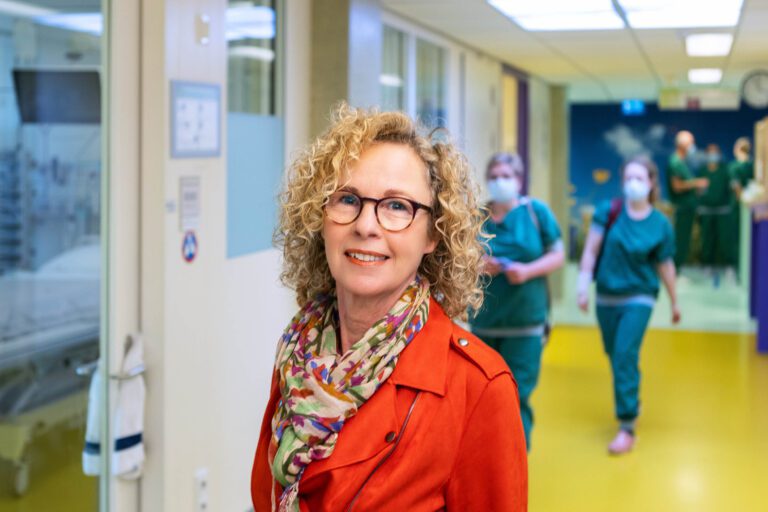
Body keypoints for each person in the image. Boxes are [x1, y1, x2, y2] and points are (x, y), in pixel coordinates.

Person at [251, 105, 527, 512]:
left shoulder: (479, 388)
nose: (366, 225)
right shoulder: (298, 356)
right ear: (319, 217)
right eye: (347, 199)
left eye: (397, 206)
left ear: (433, 233)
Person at [577, 156, 680, 455]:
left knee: (624, 353)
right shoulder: (608, 212)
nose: (633, 184)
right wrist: (582, 287)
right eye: (629, 178)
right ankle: (631, 398)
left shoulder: (660, 224)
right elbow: (591, 251)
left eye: (640, 178)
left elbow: (666, 264)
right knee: (615, 354)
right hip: (607, 296)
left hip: (640, 296)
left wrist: (675, 301)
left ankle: (627, 425)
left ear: (651, 184)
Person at [469, 152, 564, 450]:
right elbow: (456, 257)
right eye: (494, 176)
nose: (500, 182)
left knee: (517, 394)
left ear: (519, 180)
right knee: (484, 394)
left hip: (525, 320)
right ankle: (488, 459)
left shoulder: (536, 213)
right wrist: (479, 264)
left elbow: (558, 255)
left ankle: (515, 459)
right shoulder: (476, 216)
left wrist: (527, 271)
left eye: (506, 176)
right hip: (484, 321)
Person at [666, 131, 709, 270]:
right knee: (680, 240)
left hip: (688, 208)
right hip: (682, 208)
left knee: (684, 241)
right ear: (682, 144)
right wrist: (696, 183)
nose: (692, 146)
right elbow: (677, 186)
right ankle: (674, 270)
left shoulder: (682, 163)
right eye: (690, 142)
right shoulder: (675, 162)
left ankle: (677, 269)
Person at [697, 144, 733, 276]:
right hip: (706, 211)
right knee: (707, 241)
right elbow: (699, 190)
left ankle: (730, 266)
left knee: (725, 240)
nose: (713, 156)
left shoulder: (725, 170)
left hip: (723, 211)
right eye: (710, 153)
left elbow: (732, 187)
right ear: (706, 155)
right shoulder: (702, 171)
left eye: (715, 153)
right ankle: (707, 265)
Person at [728, 137, 755, 272]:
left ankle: (739, 269)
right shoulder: (752, 166)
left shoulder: (735, 167)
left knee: (738, 240)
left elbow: (736, 187)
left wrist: (742, 197)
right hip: (747, 208)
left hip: (739, 208)